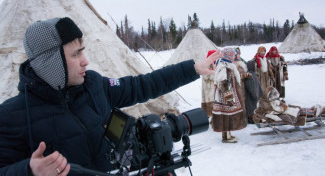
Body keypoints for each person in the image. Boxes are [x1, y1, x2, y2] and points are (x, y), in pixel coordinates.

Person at [0, 17, 222, 176]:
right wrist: (29, 171)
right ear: (51, 64)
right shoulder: (12, 116)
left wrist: (192, 69)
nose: (85, 60)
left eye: (83, 51)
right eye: (76, 54)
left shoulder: (94, 85)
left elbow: (141, 85)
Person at [211, 48, 247, 143]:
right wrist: (229, 98)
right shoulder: (224, 67)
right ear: (228, 56)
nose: (234, 56)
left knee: (228, 116)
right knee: (226, 116)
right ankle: (226, 137)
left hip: (227, 95)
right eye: (232, 55)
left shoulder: (228, 65)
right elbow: (223, 84)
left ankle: (228, 134)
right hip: (224, 97)